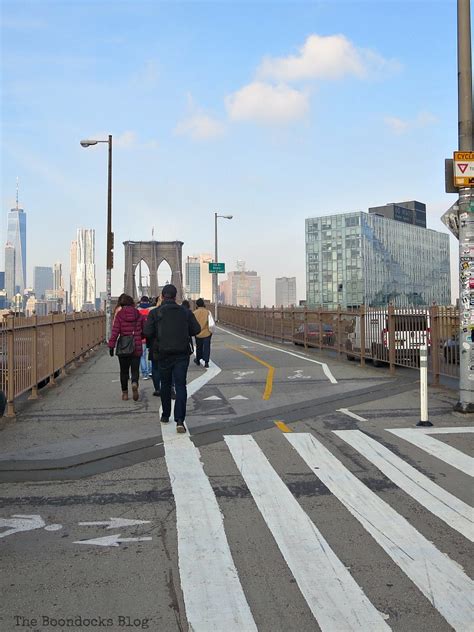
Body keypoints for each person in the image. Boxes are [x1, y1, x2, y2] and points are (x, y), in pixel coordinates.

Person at [144, 284, 200, 433]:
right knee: (181, 386)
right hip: (181, 354)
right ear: (176, 296)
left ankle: (165, 414)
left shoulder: (155, 313)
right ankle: (180, 420)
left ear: (162, 296)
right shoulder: (186, 312)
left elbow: (147, 332)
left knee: (165, 384)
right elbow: (196, 330)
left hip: (163, 354)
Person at [108, 294, 145, 401]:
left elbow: (115, 331)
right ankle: (134, 383)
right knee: (135, 370)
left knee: (123, 371)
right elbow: (144, 329)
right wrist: (139, 337)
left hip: (124, 346)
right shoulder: (138, 313)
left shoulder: (120, 315)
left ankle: (124, 393)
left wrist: (111, 346)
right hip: (136, 345)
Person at [193, 298, 213, 368]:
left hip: (198, 333)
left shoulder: (194, 313)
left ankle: (198, 360)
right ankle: (206, 362)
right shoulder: (208, 312)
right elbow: (211, 323)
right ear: (203, 304)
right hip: (207, 333)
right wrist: (211, 332)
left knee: (199, 347)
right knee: (206, 347)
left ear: (197, 305)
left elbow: (193, 323)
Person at [137, 295, 153, 380]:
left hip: (141, 336)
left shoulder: (137, 311)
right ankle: (151, 371)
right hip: (150, 336)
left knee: (142, 356)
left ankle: (144, 373)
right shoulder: (151, 311)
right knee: (151, 355)